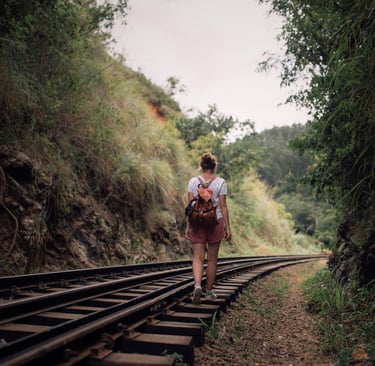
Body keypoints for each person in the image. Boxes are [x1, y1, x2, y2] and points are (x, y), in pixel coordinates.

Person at [185, 152, 231, 305]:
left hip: (197, 222)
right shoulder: (221, 183)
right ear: (214, 167)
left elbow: (190, 207)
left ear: (201, 166)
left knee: (198, 257)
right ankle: (209, 292)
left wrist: (188, 225)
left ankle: (197, 285)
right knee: (212, 259)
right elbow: (223, 207)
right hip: (215, 222)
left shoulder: (193, 182)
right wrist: (228, 228)